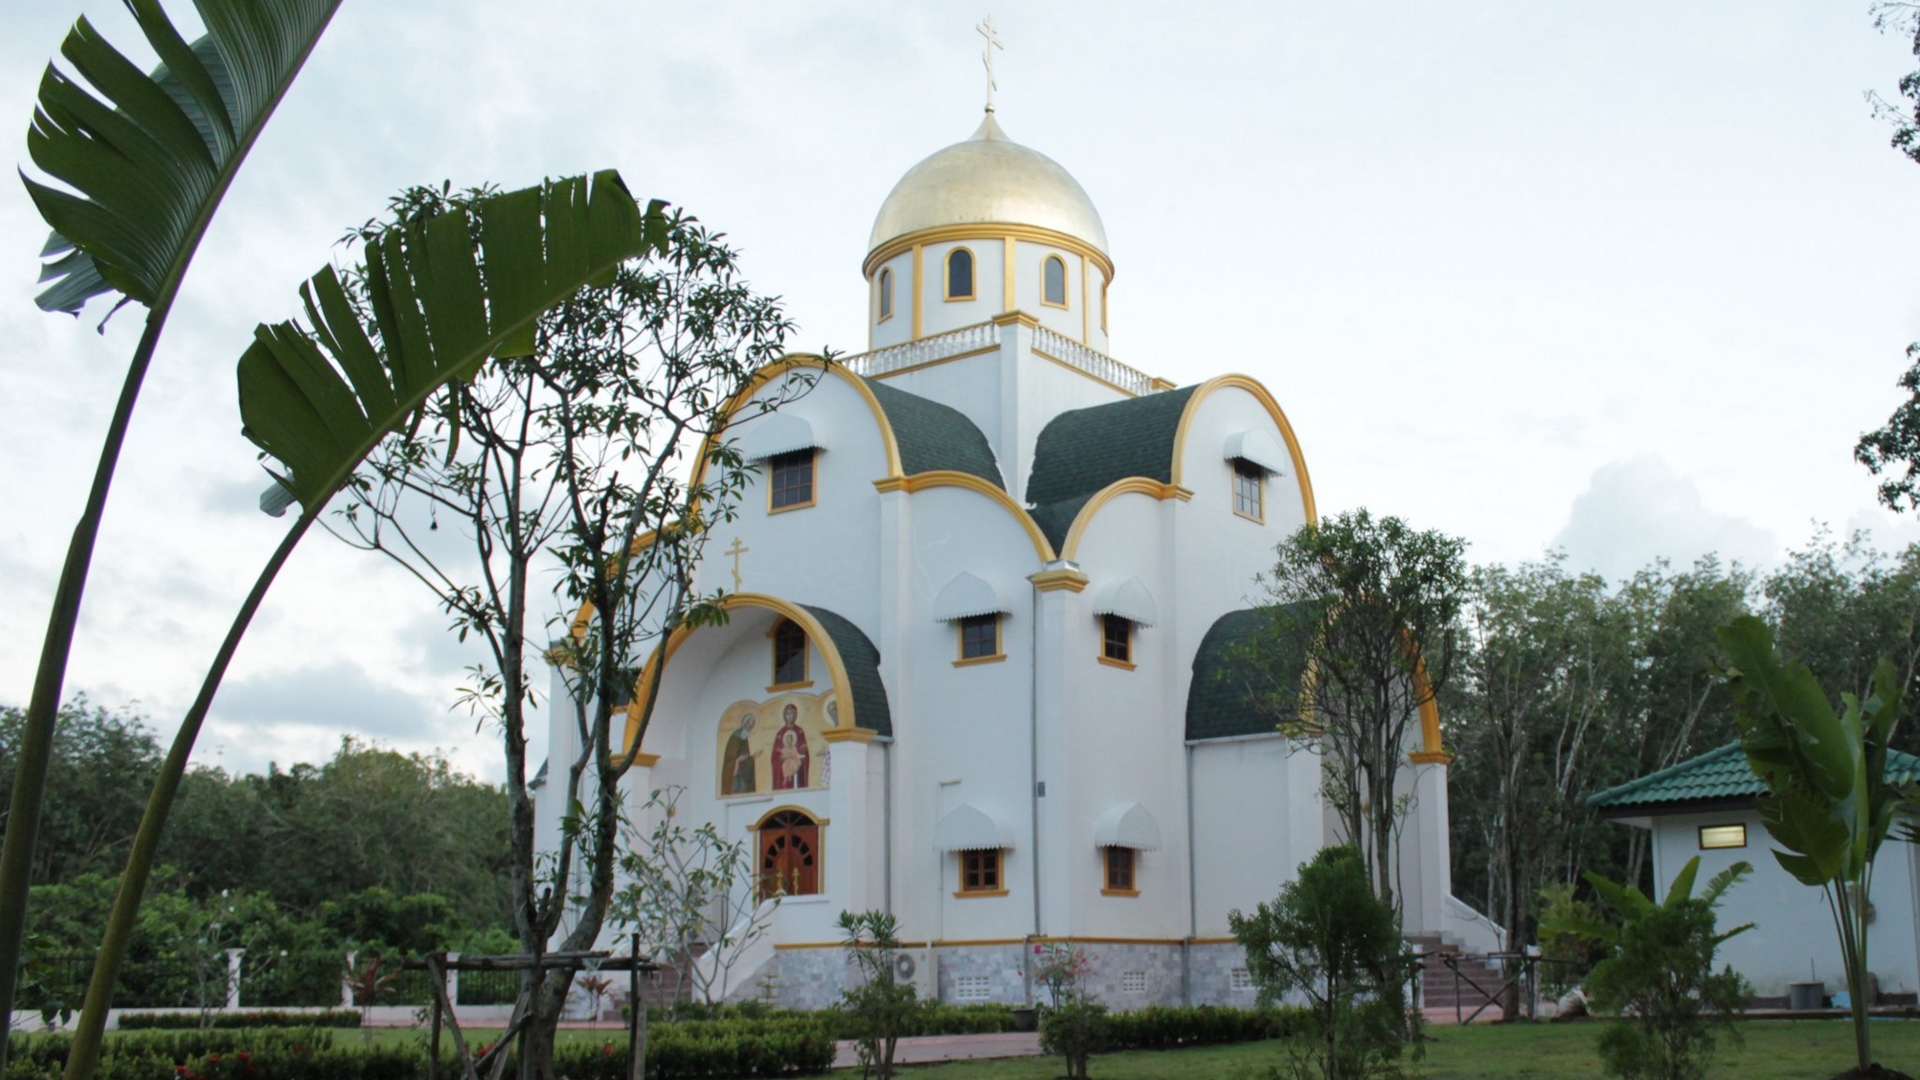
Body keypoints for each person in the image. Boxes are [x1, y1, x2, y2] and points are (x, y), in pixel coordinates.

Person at [769, 703, 810, 789]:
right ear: (784, 715)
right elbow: (774, 756)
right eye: (787, 713)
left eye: (792, 713)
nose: (789, 716)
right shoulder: (780, 733)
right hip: (782, 772)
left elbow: (804, 753)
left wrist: (802, 751)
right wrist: (781, 757)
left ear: (795, 715)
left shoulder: (799, 732)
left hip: (797, 773)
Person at [721, 713, 760, 795]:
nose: (750, 728)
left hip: (743, 773)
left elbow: (745, 757)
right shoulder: (735, 738)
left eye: (752, 726)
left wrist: (752, 757)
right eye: (749, 725)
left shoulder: (744, 738)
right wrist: (738, 760)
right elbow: (729, 757)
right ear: (745, 723)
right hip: (735, 774)